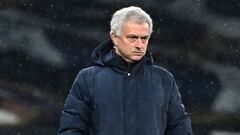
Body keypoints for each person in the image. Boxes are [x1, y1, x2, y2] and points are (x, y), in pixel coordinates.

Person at [58, 6, 193, 135]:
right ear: (114, 37)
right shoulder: (88, 78)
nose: (139, 45)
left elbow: (180, 127)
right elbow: (71, 128)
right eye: (132, 38)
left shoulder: (164, 79)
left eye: (144, 38)